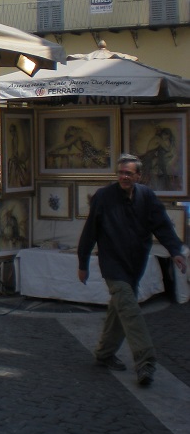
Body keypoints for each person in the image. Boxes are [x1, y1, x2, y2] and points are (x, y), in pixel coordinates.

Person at [77, 154, 187, 386]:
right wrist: (82, 262)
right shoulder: (104, 197)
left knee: (119, 309)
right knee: (129, 309)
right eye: (121, 173)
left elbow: (162, 225)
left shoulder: (147, 197)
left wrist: (175, 251)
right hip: (112, 265)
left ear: (138, 176)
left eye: (128, 173)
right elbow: (90, 231)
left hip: (135, 263)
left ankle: (104, 353)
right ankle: (145, 362)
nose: (124, 177)